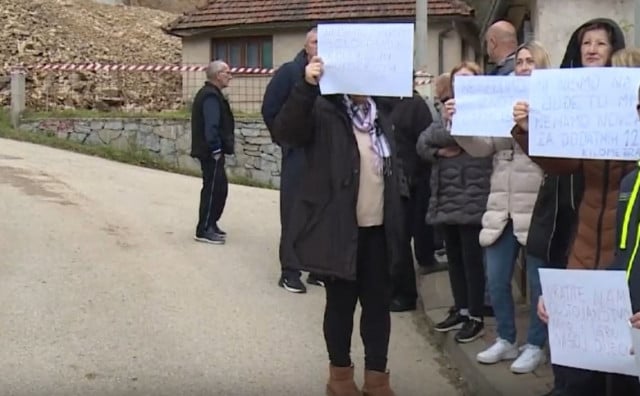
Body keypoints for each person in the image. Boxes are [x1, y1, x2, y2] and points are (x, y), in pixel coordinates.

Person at [513, 20, 635, 396]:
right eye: (587, 42)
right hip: (583, 254)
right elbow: (561, 163)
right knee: (576, 371)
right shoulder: (582, 104)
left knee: (622, 369)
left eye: (602, 43)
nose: (593, 48)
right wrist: (528, 129)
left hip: (627, 263)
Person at [271, 55, 406, 396]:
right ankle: (341, 377)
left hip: (378, 228)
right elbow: (287, 131)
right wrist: (306, 85)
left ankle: (377, 379)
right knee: (341, 306)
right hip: (339, 228)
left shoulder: (382, 113)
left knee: (377, 307)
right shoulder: (325, 110)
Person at [450, 41, 549, 373]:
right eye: (519, 61)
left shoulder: (552, 104)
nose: (523, 66)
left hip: (536, 208)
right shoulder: (502, 101)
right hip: (500, 208)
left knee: (538, 284)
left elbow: (553, 156)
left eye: (530, 61)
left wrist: (527, 126)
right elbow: (482, 148)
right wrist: (459, 124)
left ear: (543, 67)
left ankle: (535, 344)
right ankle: (507, 339)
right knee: (495, 280)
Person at [416, 61, 492, 343]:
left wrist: (451, 127)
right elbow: (423, 143)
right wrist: (440, 151)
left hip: (473, 194)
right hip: (446, 196)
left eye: (468, 81)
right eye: (458, 81)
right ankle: (460, 309)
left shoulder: (483, 111)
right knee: (455, 260)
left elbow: (463, 136)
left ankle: (475, 315)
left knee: (473, 262)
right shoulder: (446, 109)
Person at [261, 27, 323, 293]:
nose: (319, 47)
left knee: (322, 211)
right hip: (298, 151)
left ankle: (318, 267)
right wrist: (283, 140)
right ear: (306, 46)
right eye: (315, 42)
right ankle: (290, 270)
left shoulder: (334, 76)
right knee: (295, 211)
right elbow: (269, 108)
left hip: (325, 153)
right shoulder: (289, 72)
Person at [386, 88, 440, 312]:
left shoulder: (415, 104)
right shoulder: (377, 103)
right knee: (390, 240)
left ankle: (405, 294)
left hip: (411, 183)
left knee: (400, 239)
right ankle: (391, 287)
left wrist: (416, 179)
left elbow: (425, 143)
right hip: (387, 180)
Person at [190, 60, 235, 244]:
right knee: (212, 189)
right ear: (218, 75)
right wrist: (216, 148)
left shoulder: (213, 94)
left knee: (219, 188)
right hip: (211, 152)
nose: (230, 76)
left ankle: (212, 223)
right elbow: (211, 125)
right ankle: (204, 229)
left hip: (212, 151)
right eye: (227, 72)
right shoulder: (210, 96)